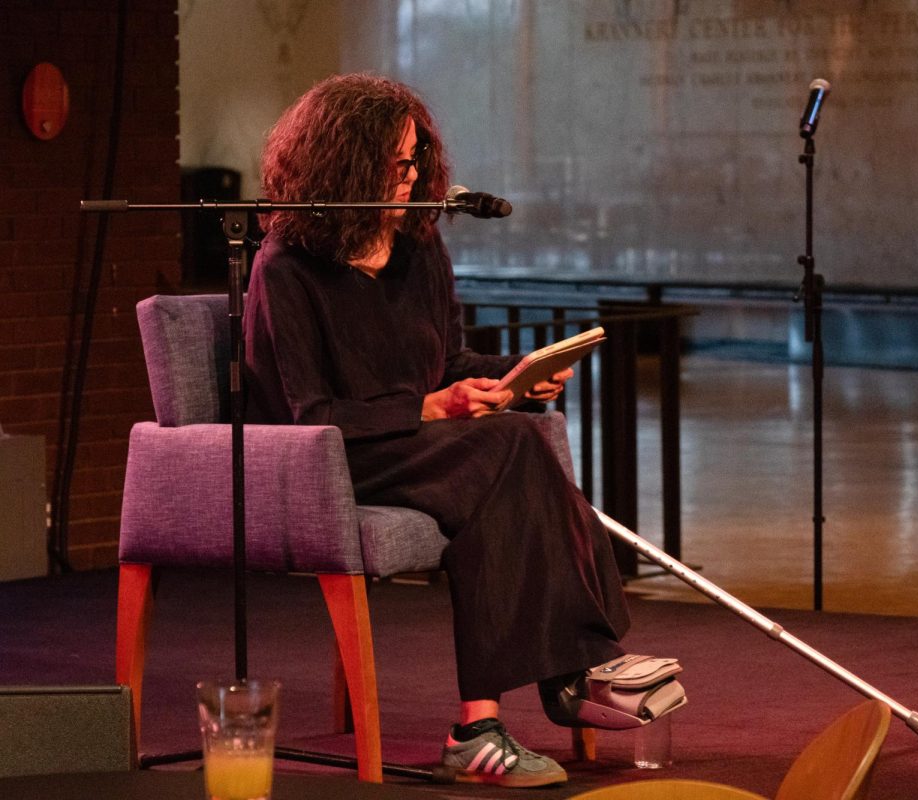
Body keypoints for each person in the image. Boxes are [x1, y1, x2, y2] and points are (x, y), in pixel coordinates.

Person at [244, 73, 686, 788]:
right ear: (346, 165)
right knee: (510, 446)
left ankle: (481, 726)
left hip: (412, 447)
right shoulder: (284, 268)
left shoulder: (416, 249)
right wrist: (431, 408)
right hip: (329, 457)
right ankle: (577, 671)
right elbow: (310, 415)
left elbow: (446, 363)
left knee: (522, 437)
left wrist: (515, 376)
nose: (412, 175)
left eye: (416, 159)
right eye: (395, 162)